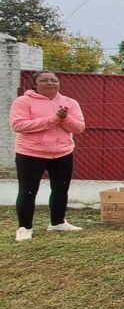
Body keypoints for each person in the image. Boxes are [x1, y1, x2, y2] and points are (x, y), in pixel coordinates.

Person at [9, 71, 85, 241]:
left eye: (53, 80)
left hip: (63, 152)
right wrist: (52, 119)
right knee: (28, 190)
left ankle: (57, 222)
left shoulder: (69, 103)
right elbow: (18, 125)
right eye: (44, 80)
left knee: (60, 189)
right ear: (35, 84)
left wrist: (64, 118)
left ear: (59, 83)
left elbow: (79, 128)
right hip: (30, 153)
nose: (50, 83)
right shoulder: (23, 101)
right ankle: (24, 227)